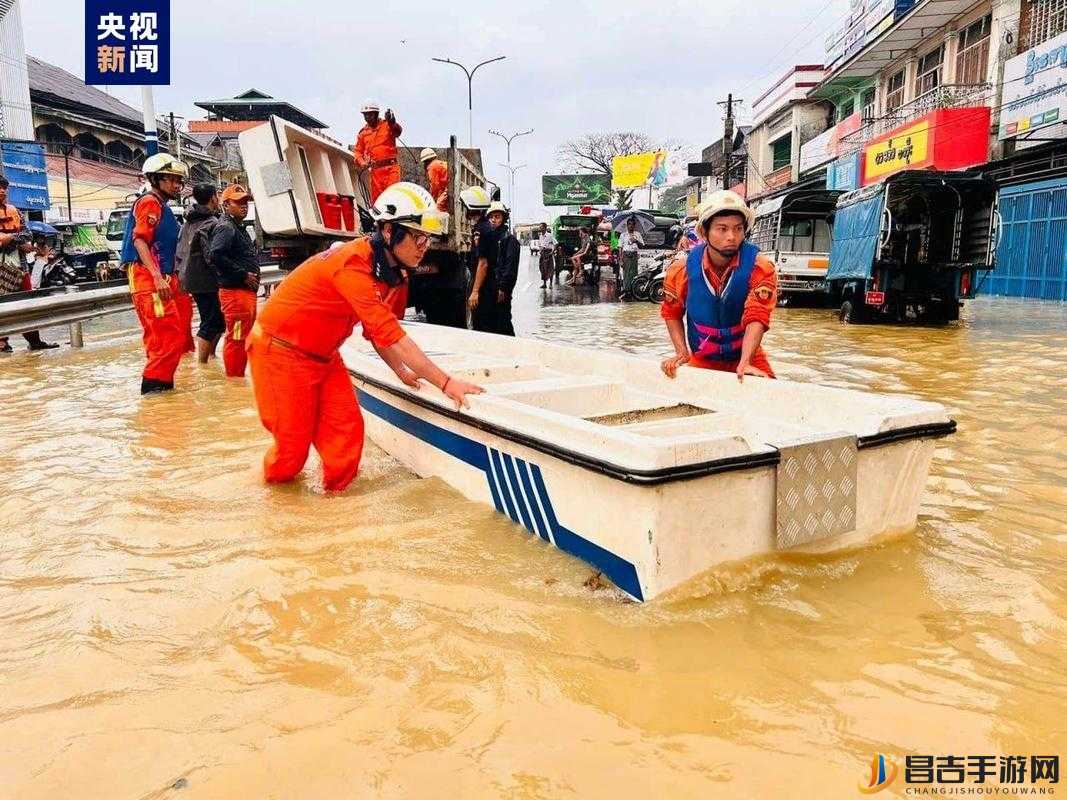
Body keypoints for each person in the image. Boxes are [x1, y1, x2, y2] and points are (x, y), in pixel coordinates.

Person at [246, 182, 483, 493]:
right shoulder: (352, 264)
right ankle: (272, 502)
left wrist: (400, 370)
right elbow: (395, 336)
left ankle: (332, 514)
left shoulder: (395, 274)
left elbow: (380, 333)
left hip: (325, 357)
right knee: (292, 450)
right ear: (387, 231)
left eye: (428, 237)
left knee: (347, 439)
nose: (425, 245)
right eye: (417, 236)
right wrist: (446, 383)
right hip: (278, 352)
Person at [659, 190, 777, 383]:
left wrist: (746, 362)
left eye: (738, 229)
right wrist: (681, 352)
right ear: (704, 232)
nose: (731, 236)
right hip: (703, 358)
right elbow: (672, 313)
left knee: (773, 400)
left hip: (748, 356)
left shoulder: (761, 267)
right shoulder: (680, 270)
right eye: (722, 229)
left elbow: (757, 316)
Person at [119, 154, 190, 393]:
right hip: (150, 282)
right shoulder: (149, 202)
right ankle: (155, 395)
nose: (177, 185)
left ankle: (160, 398)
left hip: (158, 281)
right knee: (169, 340)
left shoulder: (162, 207)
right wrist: (157, 277)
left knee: (162, 339)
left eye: (178, 180)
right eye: (171, 180)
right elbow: (139, 240)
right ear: (156, 179)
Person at [0, 176, 58, 352]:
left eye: (4, 188)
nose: (2, 191)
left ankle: (35, 340)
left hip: (20, 267)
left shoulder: (15, 211)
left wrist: (8, 238)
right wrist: (15, 240)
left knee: (28, 303)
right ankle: (2, 342)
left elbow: (27, 235)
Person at [207, 184, 260, 377]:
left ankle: (237, 376)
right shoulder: (226, 228)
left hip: (243, 293)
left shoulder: (235, 226)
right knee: (237, 337)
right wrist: (243, 275)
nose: (244, 206)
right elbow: (216, 256)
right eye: (238, 202)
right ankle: (234, 379)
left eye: (245, 202)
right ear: (226, 205)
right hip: (236, 294)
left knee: (241, 337)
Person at [176, 183, 223, 363]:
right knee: (211, 320)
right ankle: (203, 362)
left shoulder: (188, 222)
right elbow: (213, 255)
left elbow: (179, 252)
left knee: (215, 319)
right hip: (207, 279)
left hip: (191, 277)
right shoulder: (212, 223)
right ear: (213, 198)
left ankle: (210, 357)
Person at [468, 201, 519, 336]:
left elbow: (510, 268)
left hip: (500, 291)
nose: (494, 220)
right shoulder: (488, 236)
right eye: (491, 216)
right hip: (488, 289)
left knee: (503, 326)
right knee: (484, 325)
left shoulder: (510, 240)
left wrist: (503, 288)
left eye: (497, 216)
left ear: (503, 219)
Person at [353, 100, 402, 203]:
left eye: (370, 115)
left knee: (393, 197)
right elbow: (358, 152)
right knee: (378, 202)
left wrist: (392, 121)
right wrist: (363, 162)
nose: (367, 118)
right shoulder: (363, 133)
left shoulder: (387, 125)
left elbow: (397, 131)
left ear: (376, 114)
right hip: (375, 173)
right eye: (365, 115)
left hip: (391, 169)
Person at [618, 216, 644, 296]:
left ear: (634, 225)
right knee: (626, 274)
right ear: (627, 225)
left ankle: (633, 290)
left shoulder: (637, 234)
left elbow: (642, 245)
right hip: (626, 255)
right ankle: (626, 291)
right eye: (629, 224)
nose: (631, 226)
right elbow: (620, 248)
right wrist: (621, 260)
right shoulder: (623, 235)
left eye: (632, 224)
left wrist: (636, 241)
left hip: (634, 255)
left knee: (634, 273)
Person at [536, 222, 556, 288]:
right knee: (542, 268)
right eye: (540, 227)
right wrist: (540, 250)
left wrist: (552, 251)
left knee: (550, 268)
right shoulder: (540, 236)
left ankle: (550, 284)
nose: (540, 228)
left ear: (545, 228)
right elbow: (540, 245)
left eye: (541, 227)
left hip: (549, 253)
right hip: (543, 254)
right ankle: (544, 284)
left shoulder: (550, 235)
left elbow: (555, 243)